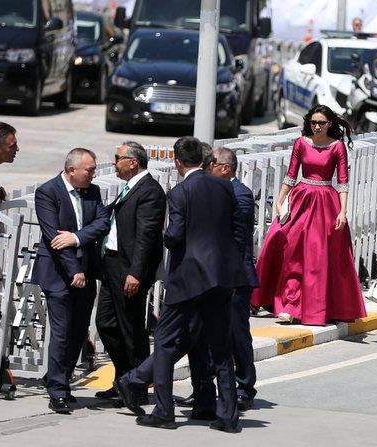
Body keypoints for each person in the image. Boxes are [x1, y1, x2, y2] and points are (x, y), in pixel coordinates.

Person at [115, 136, 248, 432]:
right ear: (204, 160)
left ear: (177, 162)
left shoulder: (179, 192)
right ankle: (228, 416)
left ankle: (164, 411)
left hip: (189, 279)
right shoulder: (224, 187)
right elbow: (239, 231)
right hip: (221, 278)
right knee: (220, 347)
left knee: (164, 342)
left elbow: (175, 235)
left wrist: (166, 236)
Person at [250, 104, 367, 326]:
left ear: (330, 124)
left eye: (321, 123)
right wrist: (280, 201)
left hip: (326, 203)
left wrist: (343, 212)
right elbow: (291, 175)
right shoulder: (301, 143)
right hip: (301, 198)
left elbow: (343, 182)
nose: (317, 126)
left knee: (317, 256)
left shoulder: (338, 147)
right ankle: (282, 301)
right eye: (313, 122)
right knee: (285, 245)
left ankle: (307, 307)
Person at [177, 147, 259, 411]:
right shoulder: (210, 191)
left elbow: (236, 238)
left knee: (236, 334)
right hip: (210, 277)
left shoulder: (240, 194)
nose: (206, 168)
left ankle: (244, 387)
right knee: (205, 335)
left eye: (211, 164)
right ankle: (205, 389)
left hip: (234, 278)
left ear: (225, 168)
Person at [32, 148, 110, 413]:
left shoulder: (92, 191)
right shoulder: (48, 192)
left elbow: (102, 223)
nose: (93, 174)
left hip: (86, 272)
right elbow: (54, 238)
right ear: (71, 170)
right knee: (62, 332)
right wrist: (74, 270)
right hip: (59, 273)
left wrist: (76, 237)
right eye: (90, 170)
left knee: (78, 331)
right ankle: (57, 391)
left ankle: (60, 377)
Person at [95, 142, 166, 402]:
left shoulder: (150, 191)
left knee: (131, 328)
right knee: (105, 323)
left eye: (118, 158)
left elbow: (146, 237)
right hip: (113, 265)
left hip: (129, 269)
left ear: (133, 162)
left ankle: (136, 387)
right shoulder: (130, 187)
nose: (115, 163)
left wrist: (136, 273)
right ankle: (124, 378)